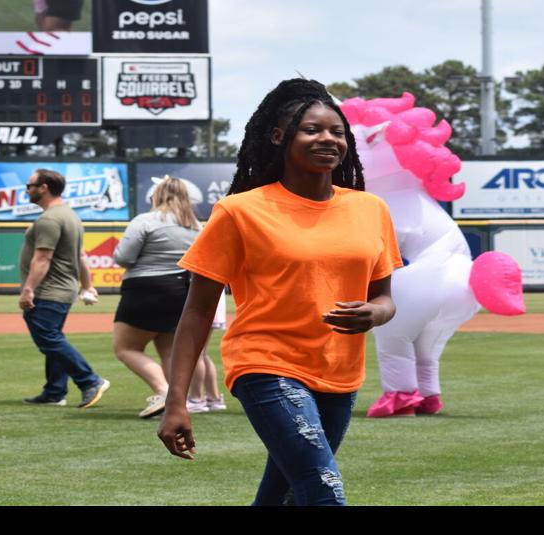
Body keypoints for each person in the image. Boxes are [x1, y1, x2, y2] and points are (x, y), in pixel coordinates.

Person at [158, 79, 402, 506]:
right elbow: (197, 311)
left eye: (337, 131)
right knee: (323, 492)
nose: (327, 139)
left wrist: (375, 314)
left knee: (283, 496)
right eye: (311, 129)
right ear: (278, 137)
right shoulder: (240, 211)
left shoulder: (370, 209)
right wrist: (176, 400)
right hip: (265, 365)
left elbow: (384, 297)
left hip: (339, 374)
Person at [112, 176, 225, 419]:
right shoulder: (197, 226)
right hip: (182, 290)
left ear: (156, 196)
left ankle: (164, 392)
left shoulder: (145, 220)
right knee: (169, 351)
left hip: (145, 288)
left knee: (126, 347)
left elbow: (123, 256)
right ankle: (176, 402)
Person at [18, 168, 111, 409]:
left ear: (44, 187)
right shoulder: (70, 215)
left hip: (49, 290)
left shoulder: (49, 219)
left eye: (29, 185)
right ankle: (55, 391)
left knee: (48, 339)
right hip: (64, 288)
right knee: (54, 338)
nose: (26, 190)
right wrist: (87, 285)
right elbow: (81, 255)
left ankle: (90, 381)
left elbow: (42, 259)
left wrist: (28, 290)